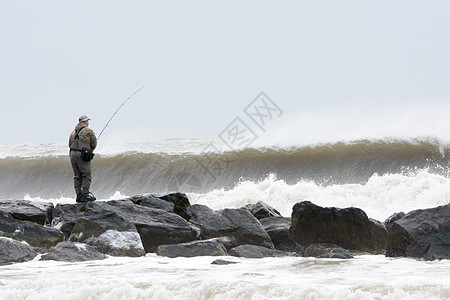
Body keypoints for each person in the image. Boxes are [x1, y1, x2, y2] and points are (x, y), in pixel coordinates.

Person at [68, 115, 97, 202]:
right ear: (85, 122)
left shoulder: (72, 132)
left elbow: (69, 144)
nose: (88, 122)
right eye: (88, 121)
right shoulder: (89, 131)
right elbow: (94, 143)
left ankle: (78, 196)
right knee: (86, 175)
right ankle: (85, 195)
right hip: (82, 154)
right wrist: (89, 150)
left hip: (72, 154)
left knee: (77, 176)